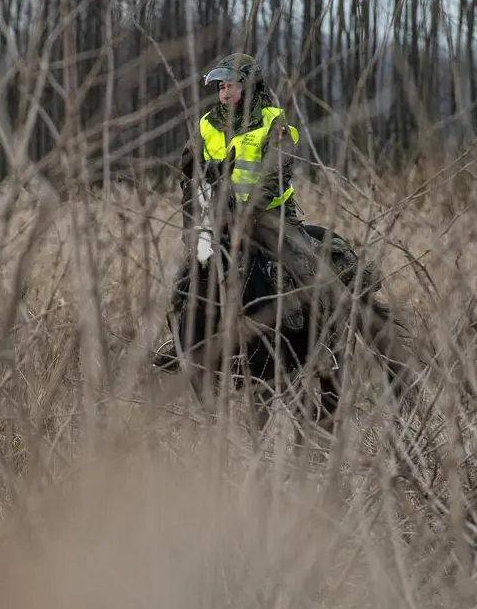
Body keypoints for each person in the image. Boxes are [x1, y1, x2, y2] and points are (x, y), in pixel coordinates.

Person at [152, 52, 380, 371]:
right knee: (184, 280)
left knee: (300, 272)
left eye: (231, 86)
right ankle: (179, 345)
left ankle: (318, 348)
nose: (225, 92)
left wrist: (247, 211)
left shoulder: (275, 122)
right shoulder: (206, 125)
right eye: (220, 87)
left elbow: (275, 174)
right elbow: (189, 174)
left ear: (250, 86)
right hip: (219, 220)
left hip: (269, 218)